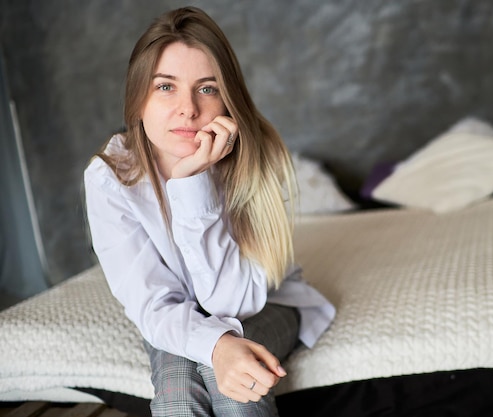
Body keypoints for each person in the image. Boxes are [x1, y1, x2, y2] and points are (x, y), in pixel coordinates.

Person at [84, 6, 335, 417]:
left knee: (236, 389)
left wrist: (192, 183)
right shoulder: (110, 178)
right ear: (138, 98)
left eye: (206, 88)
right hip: (174, 317)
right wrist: (217, 345)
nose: (188, 109)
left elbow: (233, 303)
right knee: (177, 395)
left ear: (227, 98)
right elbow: (153, 305)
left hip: (268, 303)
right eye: (165, 87)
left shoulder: (257, 157)